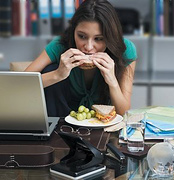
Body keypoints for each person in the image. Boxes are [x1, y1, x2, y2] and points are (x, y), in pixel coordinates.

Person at [25, 0, 137, 117]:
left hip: (103, 125)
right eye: (82, 36)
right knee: (50, 69)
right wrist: (57, 74)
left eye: (98, 39)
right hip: (63, 124)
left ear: (110, 36)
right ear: (73, 31)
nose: (88, 47)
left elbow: (123, 112)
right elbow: (20, 84)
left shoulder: (125, 49)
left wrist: (112, 81)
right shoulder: (60, 45)